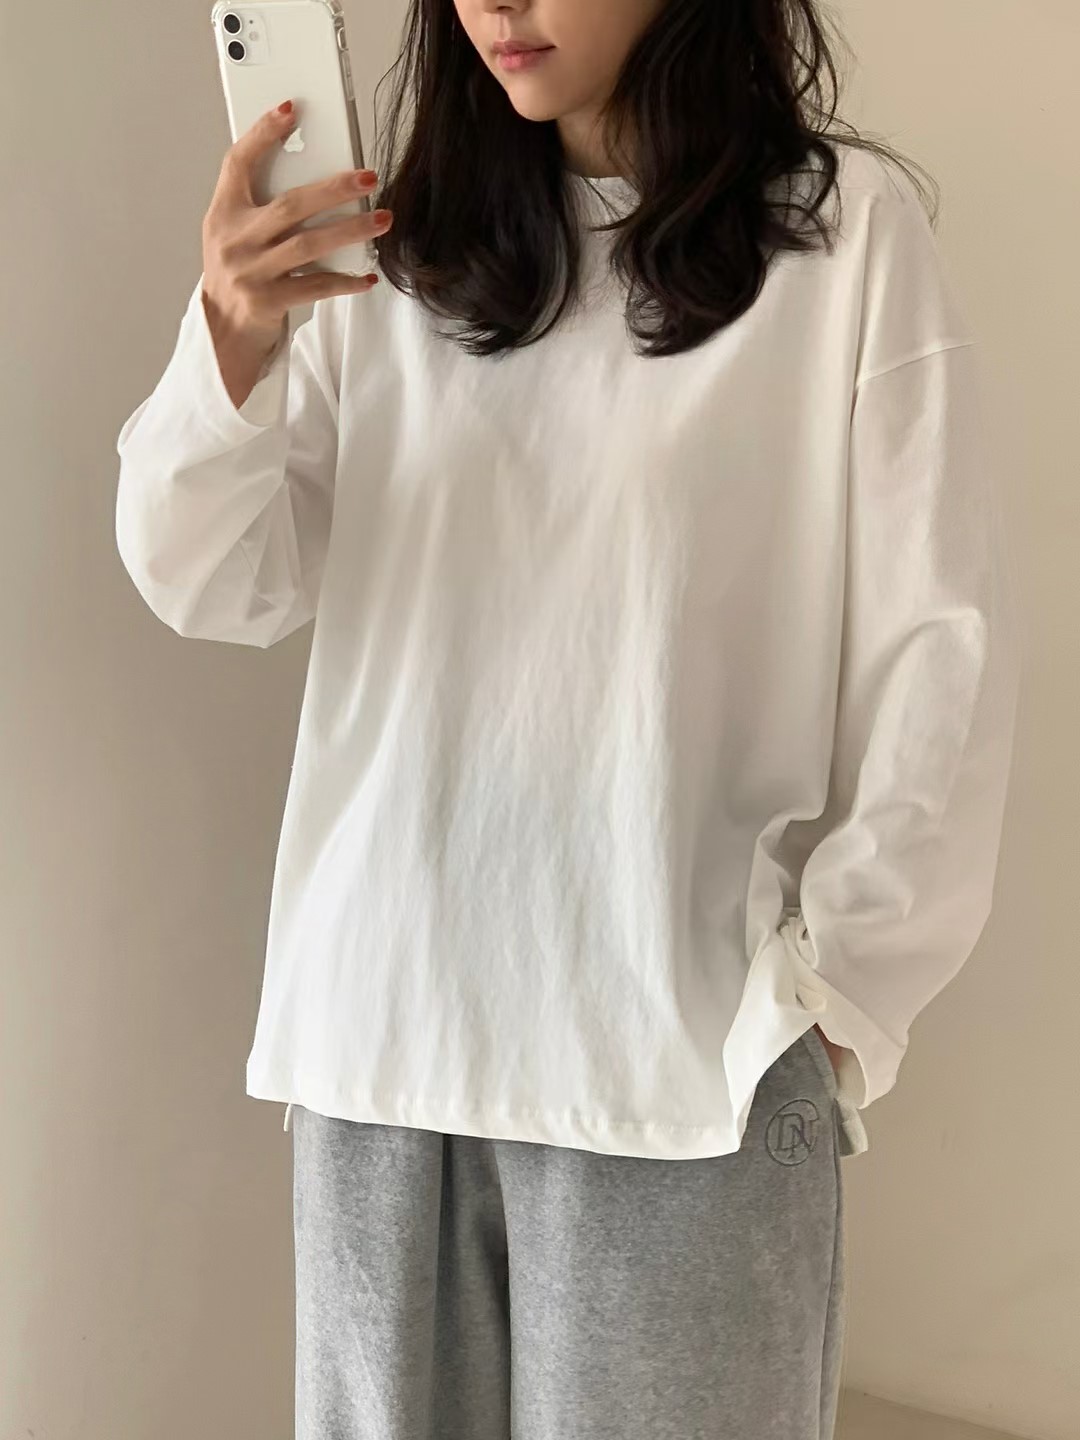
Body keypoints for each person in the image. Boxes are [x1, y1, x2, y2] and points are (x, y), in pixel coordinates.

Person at [114, 1, 1022, 1435]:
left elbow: (939, 657)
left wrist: (836, 999)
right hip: (381, 1048)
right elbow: (214, 581)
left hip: (686, 1074)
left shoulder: (840, 239)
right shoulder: (394, 258)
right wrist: (229, 338)